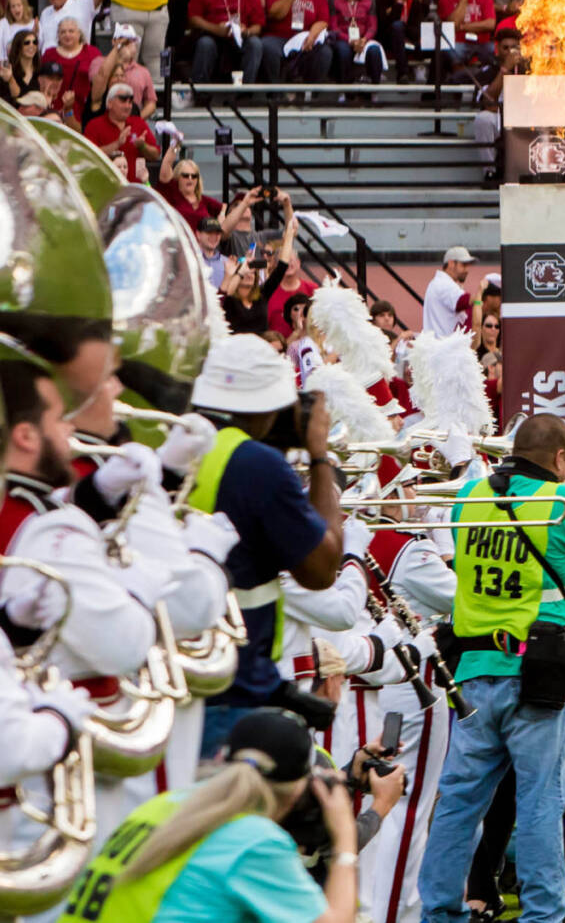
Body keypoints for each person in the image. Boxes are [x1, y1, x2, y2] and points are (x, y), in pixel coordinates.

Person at [418, 415, 565, 923]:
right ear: (559, 458)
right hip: (538, 675)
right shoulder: (561, 502)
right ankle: (542, 915)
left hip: (473, 673)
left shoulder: (470, 497)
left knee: (460, 802)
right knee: (540, 802)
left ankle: (439, 912)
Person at [181, 332, 347, 749]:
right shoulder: (257, 465)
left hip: (186, 680)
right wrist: (320, 455)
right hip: (233, 694)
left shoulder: (179, 442)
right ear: (265, 408)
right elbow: (322, 570)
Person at [58, 706, 363, 923]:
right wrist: (344, 843)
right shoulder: (253, 841)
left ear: (221, 758)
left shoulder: (168, 803)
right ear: (300, 790)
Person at [422, 246, 473, 337]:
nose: (467, 270)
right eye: (463, 265)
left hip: (439, 344)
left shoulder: (440, 282)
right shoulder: (443, 283)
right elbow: (464, 301)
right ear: (451, 263)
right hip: (443, 346)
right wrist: (480, 295)